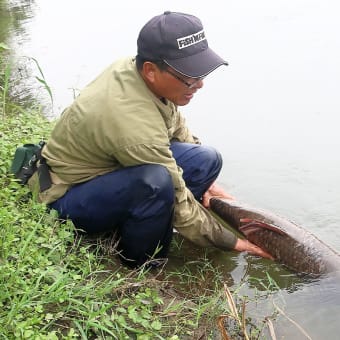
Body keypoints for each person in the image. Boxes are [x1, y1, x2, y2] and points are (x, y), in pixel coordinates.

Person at [29, 11, 272, 267]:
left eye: (201, 73)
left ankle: (151, 221)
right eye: (189, 77)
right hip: (67, 197)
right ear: (151, 71)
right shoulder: (131, 121)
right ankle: (142, 261)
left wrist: (210, 186)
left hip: (111, 168)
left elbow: (176, 125)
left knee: (206, 160)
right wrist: (230, 242)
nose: (199, 84)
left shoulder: (136, 70)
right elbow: (175, 193)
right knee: (156, 183)